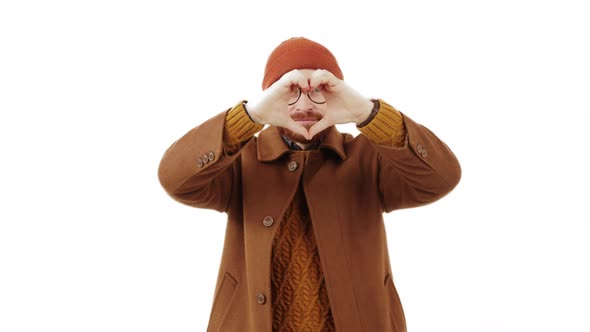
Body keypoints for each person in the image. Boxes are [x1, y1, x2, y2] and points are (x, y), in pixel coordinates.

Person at [158, 37, 461, 332]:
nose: (304, 104)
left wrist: (368, 114)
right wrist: (249, 117)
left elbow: (441, 177)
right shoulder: (241, 159)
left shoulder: (368, 158)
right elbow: (175, 178)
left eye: (320, 90)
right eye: (289, 91)